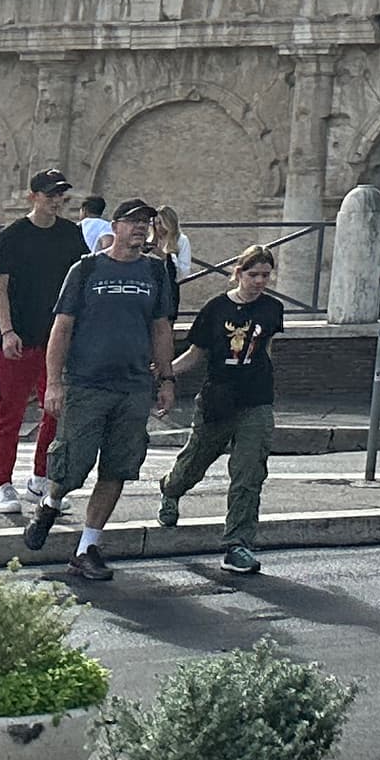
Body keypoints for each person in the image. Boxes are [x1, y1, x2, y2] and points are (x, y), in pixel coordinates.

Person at [19, 198, 176, 582]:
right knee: (72, 465)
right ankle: (51, 503)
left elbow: (161, 328)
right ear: (115, 226)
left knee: (118, 467)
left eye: (146, 222)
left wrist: (167, 379)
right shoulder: (87, 269)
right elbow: (62, 328)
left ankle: (87, 548)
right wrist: (53, 383)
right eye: (133, 221)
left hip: (133, 386)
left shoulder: (155, 272)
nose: (140, 227)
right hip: (86, 384)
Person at [150, 242, 287, 575]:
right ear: (238, 273)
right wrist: (164, 374)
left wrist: (268, 381)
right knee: (195, 460)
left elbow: (267, 349)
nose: (260, 281)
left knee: (249, 472)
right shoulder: (215, 309)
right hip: (218, 399)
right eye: (253, 275)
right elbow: (196, 354)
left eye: (265, 275)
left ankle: (237, 544)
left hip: (256, 400)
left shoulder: (273, 309)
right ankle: (171, 488)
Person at [0, 172, 89, 517]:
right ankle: (2, 484)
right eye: (50, 194)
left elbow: (81, 281)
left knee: (55, 410)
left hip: (55, 337)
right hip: (18, 337)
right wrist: (7, 330)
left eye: (60, 195)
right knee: (9, 414)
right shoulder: (12, 235)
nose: (56, 201)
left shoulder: (71, 234)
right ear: (33, 197)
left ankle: (40, 477)